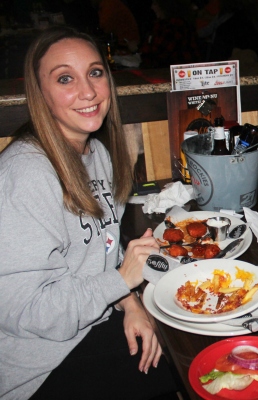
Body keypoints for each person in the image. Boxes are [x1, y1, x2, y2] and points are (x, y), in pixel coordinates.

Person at [0, 26, 177, 399]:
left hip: (90, 326)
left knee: (176, 345)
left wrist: (129, 302)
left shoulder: (98, 153)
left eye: (95, 73)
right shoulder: (24, 173)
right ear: (40, 95)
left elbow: (101, 257)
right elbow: (24, 312)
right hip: (38, 366)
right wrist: (121, 282)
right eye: (65, 78)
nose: (88, 91)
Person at [140, 0, 202, 68]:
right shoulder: (163, 24)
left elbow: (159, 53)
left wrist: (139, 49)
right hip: (173, 69)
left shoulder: (174, 25)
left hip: (178, 70)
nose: (152, 7)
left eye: (155, 4)